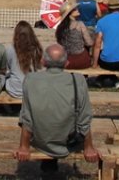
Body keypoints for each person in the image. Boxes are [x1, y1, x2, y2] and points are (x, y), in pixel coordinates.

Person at [14, 44, 100, 174]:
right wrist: (88, 147)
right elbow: (84, 117)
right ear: (66, 63)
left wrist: (24, 146)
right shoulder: (78, 80)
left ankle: (49, 162)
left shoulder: (31, 79)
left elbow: (27, 117)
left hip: (40, 139)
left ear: (43, 62)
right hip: (68, 140)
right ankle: (51, 162)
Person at [3, 21, 43, 100]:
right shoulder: (36, 49)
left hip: (15, 90)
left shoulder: (11, 49)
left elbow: (7, 69)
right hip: (32, 89)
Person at [55, 1, 94, 70]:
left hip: (66, 61)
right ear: (70, 13)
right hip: (81, 60)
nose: (77, 10)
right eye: (75, 9)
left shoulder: (59, 28)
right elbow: (89, 43)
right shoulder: (79, 24)